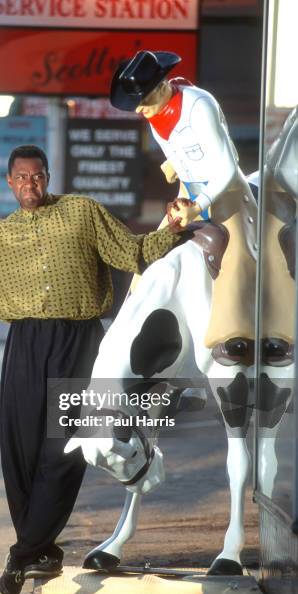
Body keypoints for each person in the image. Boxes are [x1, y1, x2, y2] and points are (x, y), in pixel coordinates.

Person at [0, 144, 183, 594]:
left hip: (79, 343)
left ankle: (22, 554)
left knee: (63, 448)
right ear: (9, 183)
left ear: (48, 176)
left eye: (37, 177)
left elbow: (132, 253)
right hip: (24, 345)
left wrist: (173, 228)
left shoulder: (81, 213)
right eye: (21, 178)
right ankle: (39, 549)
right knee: (19, 446)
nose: (30, 185)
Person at [110, 50, 259, 365]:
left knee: (237, 264)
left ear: (162, 87)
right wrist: (174, 167)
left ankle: (243, 342)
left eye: (144, 100)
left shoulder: (198, 106)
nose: (140, 109)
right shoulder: (155, 116)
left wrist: (199, 205)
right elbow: (177, 151)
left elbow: (228, 168)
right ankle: (122, 335)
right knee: (146, 261)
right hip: (188, 196)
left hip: (225, 196)